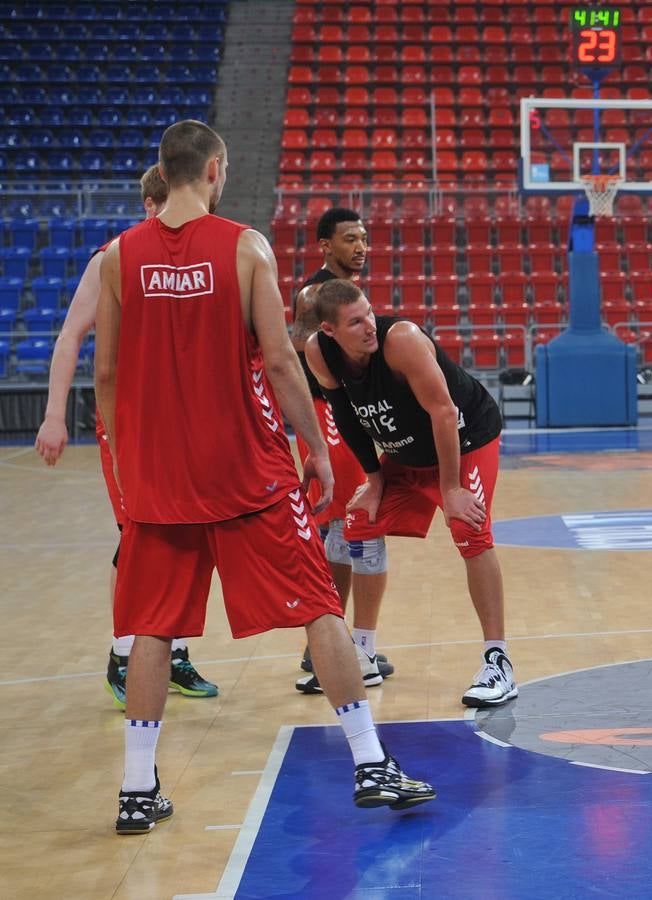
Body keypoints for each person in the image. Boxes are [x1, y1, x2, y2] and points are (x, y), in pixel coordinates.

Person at [94, 120, 434, 835]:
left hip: (158, 476)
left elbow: (106, 373)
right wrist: (313, 445)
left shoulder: (120, 257)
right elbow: (281, 361)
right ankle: (371, 762)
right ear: (214, 170)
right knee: (317, 605)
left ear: (165, 172)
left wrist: (124, 462)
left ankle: (133, 788)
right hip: (248, 471)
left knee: (152, 628)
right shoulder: (245, 246)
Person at [35, 165, 217, 709]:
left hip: (187, 421)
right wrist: (53, 415)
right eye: (159, 208)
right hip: (130, 422)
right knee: (140, 538)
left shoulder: (201, 255)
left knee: (191, 534)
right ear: (146, 206)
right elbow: (70, 336)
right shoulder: (113, 257)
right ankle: (122, 652)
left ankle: (174, 650)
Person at [304, 279, 517, 708]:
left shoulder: (400, 340)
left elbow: (444, 412)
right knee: (358, 521)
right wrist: (375, 478)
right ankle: (362, 651)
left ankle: (499, 662)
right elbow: (346, 414)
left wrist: (452, 487)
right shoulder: (318, 351)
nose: (369, 326)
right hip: (406, 451)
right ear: (330, 331)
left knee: (468, 527)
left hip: (465, 439)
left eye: (369, 314)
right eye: (355, 321)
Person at [289, 207, 394, 693]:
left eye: (365, 237)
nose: (361, 246)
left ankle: (338, 642)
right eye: (350, 238)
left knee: (342, 525)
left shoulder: (347, 293)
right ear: (325, 246)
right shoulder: (315, 294)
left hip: (343, 410)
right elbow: (295, 343)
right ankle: (337, 646)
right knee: (352, 521)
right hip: (324, 410)